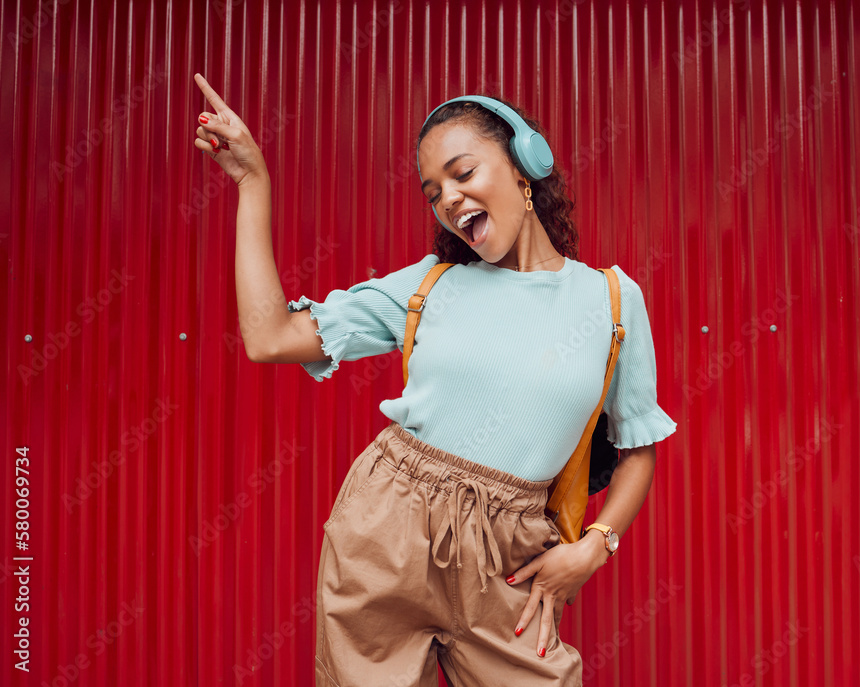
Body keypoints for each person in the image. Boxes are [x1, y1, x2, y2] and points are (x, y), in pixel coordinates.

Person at [192, 73, 678, 687]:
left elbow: (638, 448)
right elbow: (270, 337)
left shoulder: (610, 300)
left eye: (463, 173)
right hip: (387, 531)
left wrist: (593, 547)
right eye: (433, 191)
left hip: (510, 555)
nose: (449, 198)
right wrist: (252, 183)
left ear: (526, 165)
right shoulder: (431, 284)